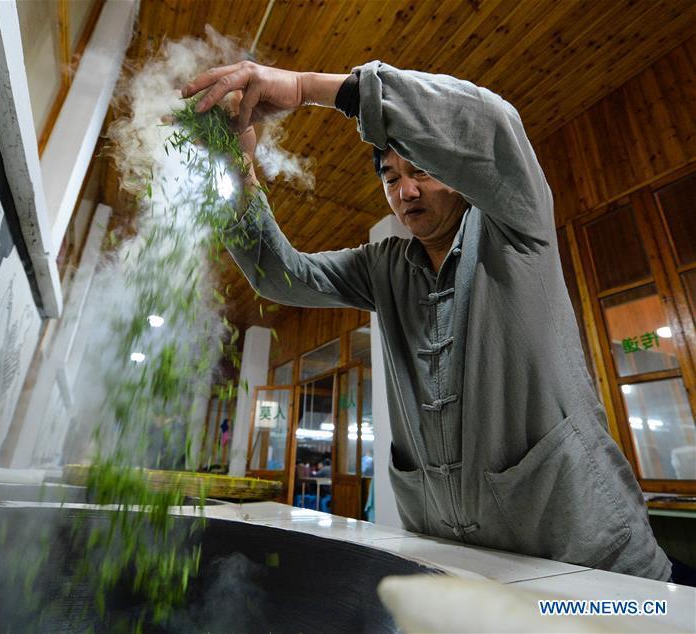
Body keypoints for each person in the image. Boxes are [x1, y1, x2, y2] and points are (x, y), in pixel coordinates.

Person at [182, 60, 672, 581]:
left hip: (590, 561)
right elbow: (281, 275)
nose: (406, 191)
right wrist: (237, 178)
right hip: (466, 570)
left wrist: (308, 88)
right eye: (391, 176)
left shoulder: (513, 223)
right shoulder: (384, 266)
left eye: (422, 171)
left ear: (459, 179)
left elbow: (491, 123)